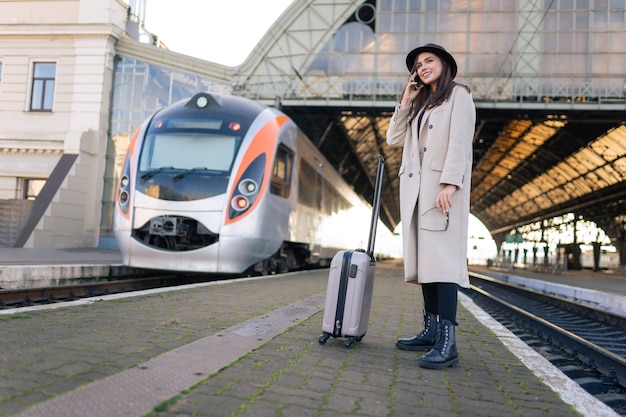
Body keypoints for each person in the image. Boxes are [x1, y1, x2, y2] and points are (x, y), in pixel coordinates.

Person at [386, 44, 475, 370]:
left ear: (444, 64)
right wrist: (406, 101)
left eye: (429, 61)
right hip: (417, 193)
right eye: (418, 65)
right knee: (427, 265)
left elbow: (461, 142)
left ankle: (448, 343)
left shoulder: (459, 95)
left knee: (443, 264)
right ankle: (431, 330)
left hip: (441, 191)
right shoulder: (421, 103)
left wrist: (449, 184)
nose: (422, 67)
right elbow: (393, 139)